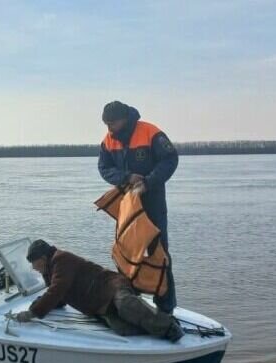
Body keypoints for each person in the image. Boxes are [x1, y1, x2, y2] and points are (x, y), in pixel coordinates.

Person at [97, 100, 179, 313]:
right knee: (125, 252)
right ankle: (130, 303)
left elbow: (170, 159)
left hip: (153, 202)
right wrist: (125, 177)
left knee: (159, 252)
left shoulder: (150, 132)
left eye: (112, 123)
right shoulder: (108, 140)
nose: (109, 128)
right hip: (128, 205)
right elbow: (104, 168)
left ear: (124, 119)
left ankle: (166, 308)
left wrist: (148, 182)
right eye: (106, 124)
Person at [14, 240, 183, 342]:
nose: (33, 268)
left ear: (42, 258)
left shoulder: (61, 259)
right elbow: (59, 297)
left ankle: (169, 327)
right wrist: (38, 305)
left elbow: (57, 290)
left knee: (126, 306)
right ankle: (154, 324)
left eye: (33, 263)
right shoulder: (49, 270)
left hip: (112, 287)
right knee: (122, 329)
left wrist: (33, 313)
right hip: (101, 304)